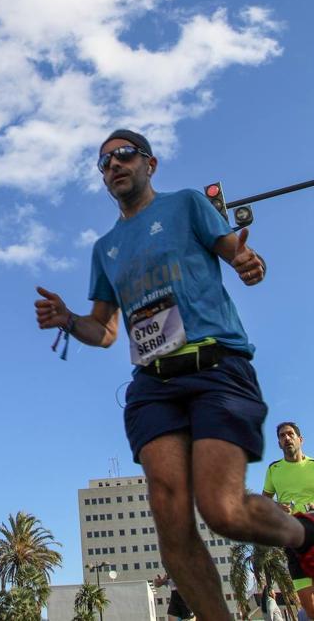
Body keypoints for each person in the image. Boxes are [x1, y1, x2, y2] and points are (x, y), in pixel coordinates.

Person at [35, 129, 314, 621]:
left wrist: (250, 263)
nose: (113, 166)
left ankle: (306, 534)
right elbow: (103, 330)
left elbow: (240, 255)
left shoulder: (186, 205)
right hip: (152, 384)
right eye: (104, 163)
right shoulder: (105, 248)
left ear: (150, 163)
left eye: (123, 155)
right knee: (170, 521)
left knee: (222, 509)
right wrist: (67, 320)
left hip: (215, 366)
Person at [263, 422, 314, 618]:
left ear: (300, 439)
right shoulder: (273, 469)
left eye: (291, 434)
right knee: (307, 604)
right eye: (283, 436)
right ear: (279, 443)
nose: (287, 438)